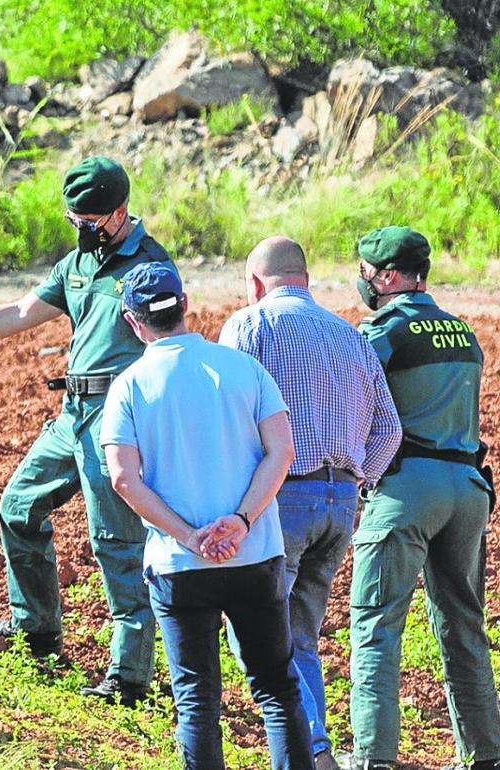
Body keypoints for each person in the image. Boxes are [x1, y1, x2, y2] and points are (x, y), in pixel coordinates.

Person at [0, 157, 166, 704]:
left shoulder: (149, 266)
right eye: (75, 218)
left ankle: (130, 677)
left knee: (116, 542)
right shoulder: (77, 262)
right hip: (72, 413)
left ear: (120, 212)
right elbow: (22, 312)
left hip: (118, 416)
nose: (82, 228)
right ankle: (37, 633)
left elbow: (168, 341)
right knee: (18, 506)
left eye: (92, 219)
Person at [101, 261, 312, 769]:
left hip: (180, 566)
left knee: (196, 700)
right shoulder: (242, 367)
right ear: (185, 306)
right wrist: (240, 521)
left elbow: (124, 478)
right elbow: (281, 452)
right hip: (254, 555)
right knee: (278, 690)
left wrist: (191, 537)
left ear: (133, 323)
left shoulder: (128, 386)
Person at [218, 236, 401, 770]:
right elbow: (388, 427)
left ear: (255, 284)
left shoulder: (249, 326)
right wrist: (354, 481)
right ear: (305, 280)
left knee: (257, 634)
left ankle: (309, 747)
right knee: (301, 635)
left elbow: (228, 415)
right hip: (339, 502)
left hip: (281, 499)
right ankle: (315, 749)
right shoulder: (349, 334)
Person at [343, 227, 500, 770]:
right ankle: (484, 757)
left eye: (366, 272)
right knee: (464, 625)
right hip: (468, 489)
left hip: (408, 488)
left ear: (387, 277)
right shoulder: (463, 333)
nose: (363, 281)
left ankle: (372, 759)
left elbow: (353, 404)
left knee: (375, 624)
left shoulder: (383, 333)